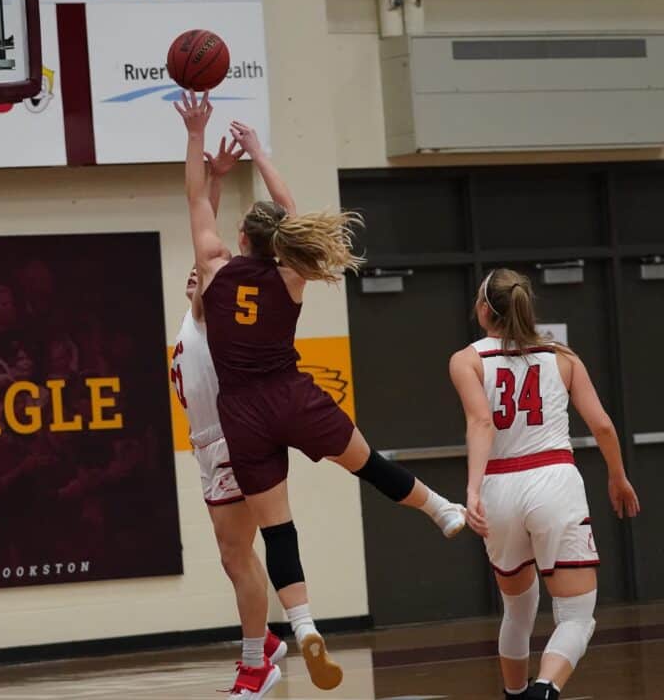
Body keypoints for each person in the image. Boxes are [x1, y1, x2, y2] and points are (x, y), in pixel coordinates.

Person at [176, 93, 465, 692]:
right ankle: (441, 509)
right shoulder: (290, 273)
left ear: (238, 240)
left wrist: (197, 137)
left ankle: (303, 623)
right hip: (291, 394)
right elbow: (289, 210)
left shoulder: (212, 269)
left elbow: (193, 201)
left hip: (242, 416)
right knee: (369, 464)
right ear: (281, 242)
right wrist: (258, 152)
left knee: (279, 531)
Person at [449, 269, 640, 700]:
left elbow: (480, 421)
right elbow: (604, 426)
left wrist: (473, 490)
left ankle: (516, 695)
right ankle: (546, 689)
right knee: (576, 615)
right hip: (553, 481)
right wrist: (618, 476)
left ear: (483, 309)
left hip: (499, 487)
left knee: (517, 609)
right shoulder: (563, 356)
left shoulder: (466, 359)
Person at [170, 137, 287, 700]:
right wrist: (218, 177)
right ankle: (262, 641)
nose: (198, 273)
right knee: (232, 554)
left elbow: (201, 225)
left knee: (238, 556)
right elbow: (205, 227)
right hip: (208, 444)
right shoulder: (192, 314)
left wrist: (200, 157)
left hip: (227, 440)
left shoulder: (211, 308)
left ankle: (256, 662)